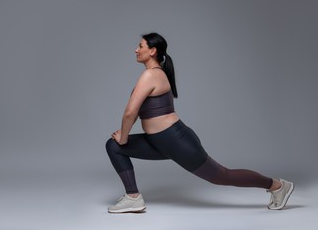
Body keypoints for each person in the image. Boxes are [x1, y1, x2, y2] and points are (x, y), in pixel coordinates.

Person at [105, 32, 294, 213]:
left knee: (222, 176)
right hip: (159, 142)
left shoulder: (151, 75)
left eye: (140, 46)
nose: (135, 50)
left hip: (175, 141)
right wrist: (122, 137)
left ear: (152, 51)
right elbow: (136, 112)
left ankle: (277, 186)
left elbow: (130, 113)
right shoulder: (152, 75)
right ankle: (133, 197)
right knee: (113, 146)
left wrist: (124, 136)